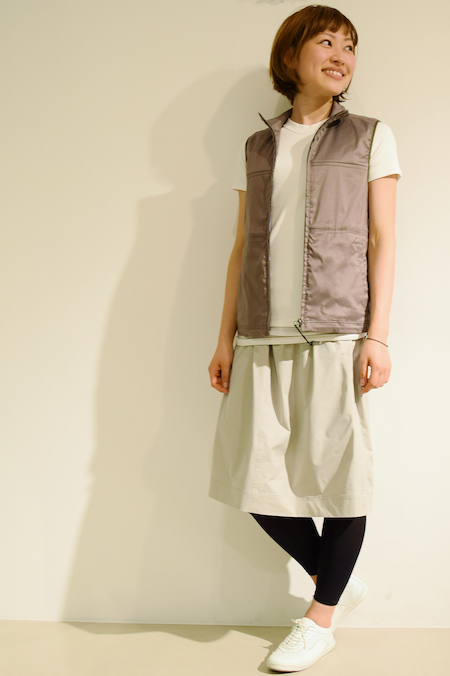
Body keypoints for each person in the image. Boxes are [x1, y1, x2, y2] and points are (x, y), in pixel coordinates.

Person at [207, 5, 401, 672]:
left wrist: (378, 336)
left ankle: (320, 620)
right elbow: (241, 247)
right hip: (260, 334)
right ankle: (334, 581)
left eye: (350, 45)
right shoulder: (258, 146)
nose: (342, 54)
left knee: (341, 481)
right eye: (327, 41)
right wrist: (225, 337)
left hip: (337, 331)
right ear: (291, 55)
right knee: (254, 482)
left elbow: (383, 240)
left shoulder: (371, 136)